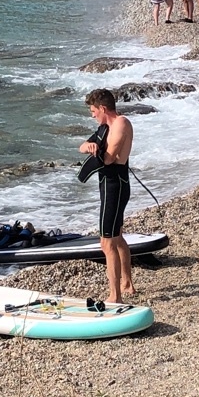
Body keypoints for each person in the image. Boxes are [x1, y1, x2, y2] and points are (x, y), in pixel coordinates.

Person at [81, 88, 135, 304]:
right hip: (108, 184)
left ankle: (115, 296)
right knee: (117, 237)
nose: (93, 115)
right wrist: (89, 146)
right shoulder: (105, 128)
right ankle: (127, 283)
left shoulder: (121, 123)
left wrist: (97, 149)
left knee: (107, 242)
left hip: (116, 185)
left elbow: (109, 158)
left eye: (94, 111)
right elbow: (81, 147)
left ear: (103, 108)